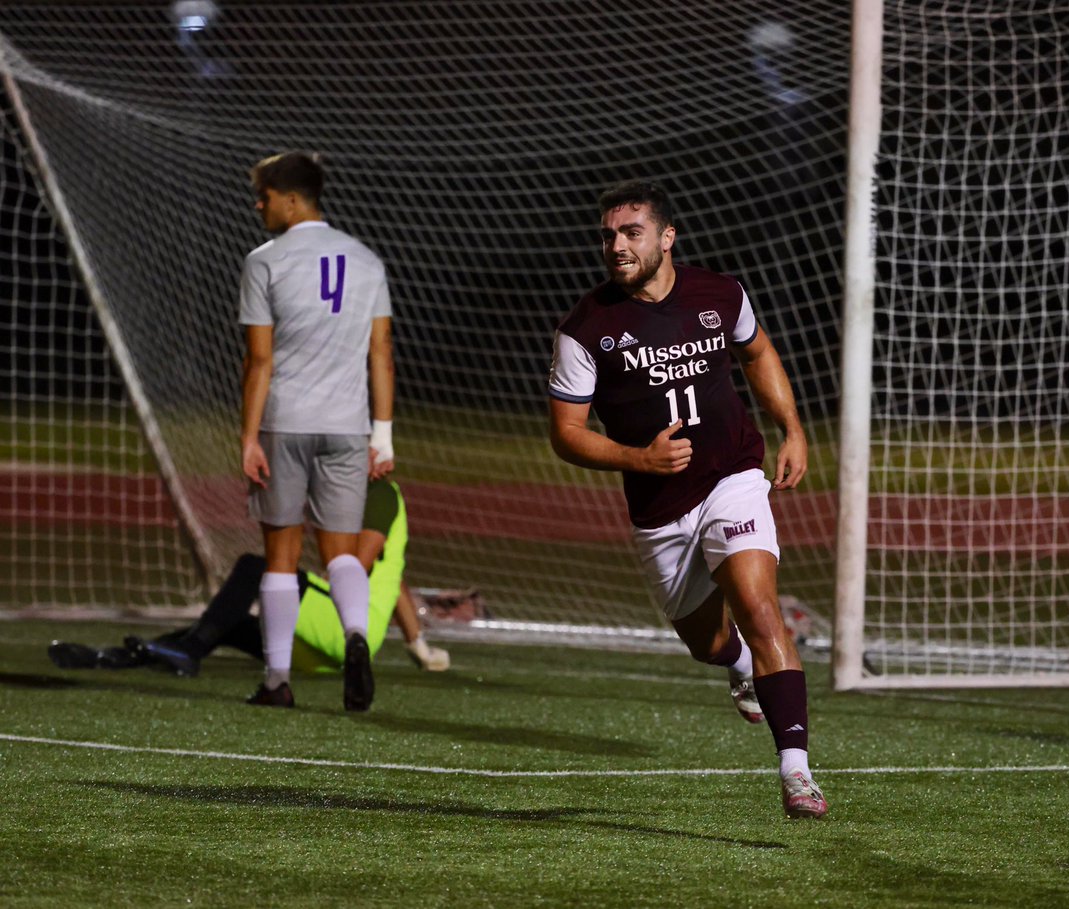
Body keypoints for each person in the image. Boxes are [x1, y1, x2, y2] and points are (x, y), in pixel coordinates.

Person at [547, 180, 827, 820]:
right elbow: (565, 434)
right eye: (609, 235)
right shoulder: (587, 328)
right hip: (659, 508)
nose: (617, 246)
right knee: (710, 644)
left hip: (733, 476)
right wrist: (636, 458)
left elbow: (757, 353)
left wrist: (792, 428)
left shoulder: (721, 294)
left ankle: (797, 772)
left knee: (761, 611)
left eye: (631, 233)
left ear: (666, 238)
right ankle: (735, 667)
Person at [239, 151, 395, 711]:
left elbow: (260, 361)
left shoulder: (265, 261)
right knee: (343, 554)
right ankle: (356, 635)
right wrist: (383, 436)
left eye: (264, 195)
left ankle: (277, 681)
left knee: (281, 556)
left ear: (290, 197)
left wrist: (249, 438)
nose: (258, 205)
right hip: (348, 428)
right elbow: (381, 353)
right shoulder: (367, 260)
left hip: (286, 424)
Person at [46, 480, 452, 685]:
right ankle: (117, 657)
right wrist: (420, 648)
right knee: (223, 627)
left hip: (340, 624)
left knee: (257, 568)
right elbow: (394, 580)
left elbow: (356, 565)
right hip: (337, 647)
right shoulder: (371, 491)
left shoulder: (378, 490)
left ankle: (187, 650)